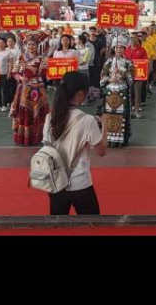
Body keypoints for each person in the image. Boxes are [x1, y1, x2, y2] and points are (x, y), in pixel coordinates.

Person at [42, 72, 107, 215]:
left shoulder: (50, 118)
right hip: (80, 183)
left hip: (56, 182)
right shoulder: (87, 120)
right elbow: (101, 151)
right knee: (92, 222)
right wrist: (105, 125)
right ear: (79, 94)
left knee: (58, 223)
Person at [11, 32, 49, 146]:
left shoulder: (42, 58)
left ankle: (38, 137)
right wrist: (20, 78)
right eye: (29, 44)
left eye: (33, 45)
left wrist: (41, 70)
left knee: (38, 112)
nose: (31, 47)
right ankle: (24, 137)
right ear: (26, 45)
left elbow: (44, 73)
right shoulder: (21, 57)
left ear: (37, 46)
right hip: (24, 89)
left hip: (38, 88)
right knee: (25, 113)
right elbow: (14, 72)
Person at [99, 35, 134, 147]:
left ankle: (121, 140)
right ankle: (109, 139)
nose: (119, 49)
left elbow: (131, 80)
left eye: (121, 47)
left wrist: (123, 73)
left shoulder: (128, 63)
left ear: (124, 49)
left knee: (122, 116)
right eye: (117, 47)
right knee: (109, 115)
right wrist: (109, 79)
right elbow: (102, 78)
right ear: (114, 48)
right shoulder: (108, 62)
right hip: (110, 92)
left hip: (122, 92)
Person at [124, 34, 148, 119]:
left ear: (138, 41)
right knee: (129, 93)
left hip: (139, 74)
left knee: (137, 93)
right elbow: (124, 60)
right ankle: (130, 110)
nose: (133, 41)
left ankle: (137, 111)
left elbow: (145, 60)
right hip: (129, 74)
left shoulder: (142, 50)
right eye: (132, 40)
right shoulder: (127, 50)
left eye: (135, 40)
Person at [0, 37, 12, 112]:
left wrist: (9, 72)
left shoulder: (8, 52)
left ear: (5, 44)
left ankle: (4, 105)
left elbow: (10, 63)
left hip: (4, 73)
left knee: (5, 90)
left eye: (2, 43)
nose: (0, 44)